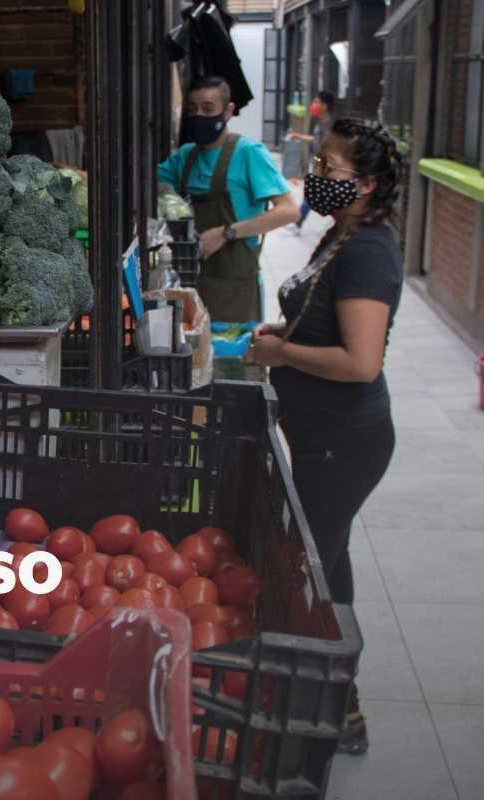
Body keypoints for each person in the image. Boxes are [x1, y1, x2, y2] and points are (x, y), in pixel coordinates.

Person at [251, 118, 405, 756]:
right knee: (327, 565)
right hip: (321, 436)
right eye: (316, 164)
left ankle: (335, 708)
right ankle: (340, 704)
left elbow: (361, 362)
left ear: (364, 185)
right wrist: (284, 334)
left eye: (328, 169)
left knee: (307, 573)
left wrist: (282, 355)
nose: (314, 176)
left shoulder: (368, 251)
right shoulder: (341, 234)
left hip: (345, 441)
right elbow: (320, 319)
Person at [157, 76, 300, 322]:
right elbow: (146, 182)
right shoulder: (186, 156)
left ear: (228, 111)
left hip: (234, 287)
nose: (199, 116)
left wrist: (226, 233)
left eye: (208, 109)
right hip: (190, 280)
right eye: (192, 109)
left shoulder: (248, 153)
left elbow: (288, 211)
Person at [287, 91, 336, 231]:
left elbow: (327, 145)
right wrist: (299, 136)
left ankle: (298, 223)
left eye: (316, 102)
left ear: (324, 105)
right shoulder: (322, 120)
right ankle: (298, 223)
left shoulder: (327, 122)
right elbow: (317, 139)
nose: (313, 104)